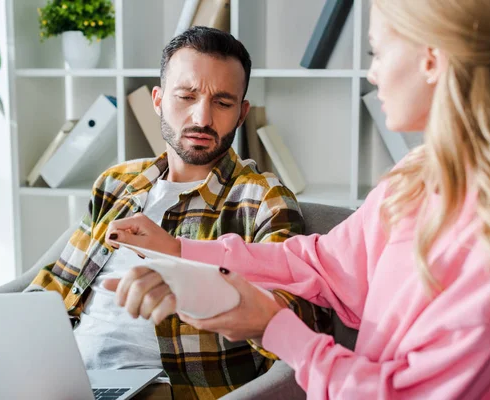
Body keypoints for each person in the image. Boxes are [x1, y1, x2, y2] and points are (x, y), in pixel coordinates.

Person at [104, 0, 490, 398]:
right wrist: (181, 251)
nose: (372, 72)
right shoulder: (415, 179)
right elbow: (321, 264)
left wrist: (272, 327)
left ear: (431, 60)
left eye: (376, 52)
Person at [25, 26, 328, 399]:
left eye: (223, 102)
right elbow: (57, 284)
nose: (202, 117)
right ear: (158, 99)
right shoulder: (116, 182)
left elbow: (299, 321)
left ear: (241, 112)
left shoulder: (262, 199)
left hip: (165, 389)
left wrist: (191, 284)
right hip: (65, 378)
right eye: (186, 96)